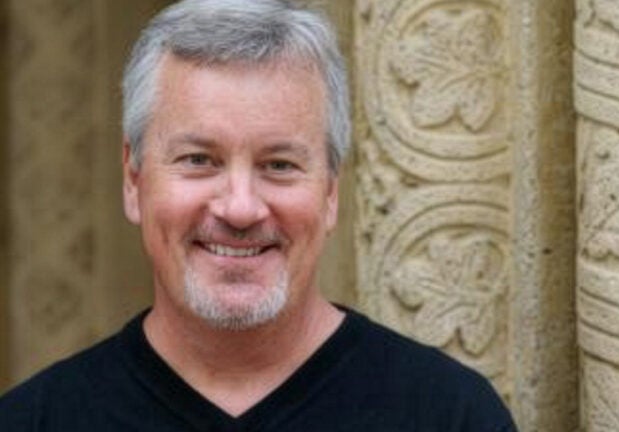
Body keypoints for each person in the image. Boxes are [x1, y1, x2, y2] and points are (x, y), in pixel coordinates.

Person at [0, 0, 517, 430]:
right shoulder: (34, 421)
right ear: (134, 181)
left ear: (332, 191)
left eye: (279, 164)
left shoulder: (450, 415)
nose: (241, 207)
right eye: (199, 160)